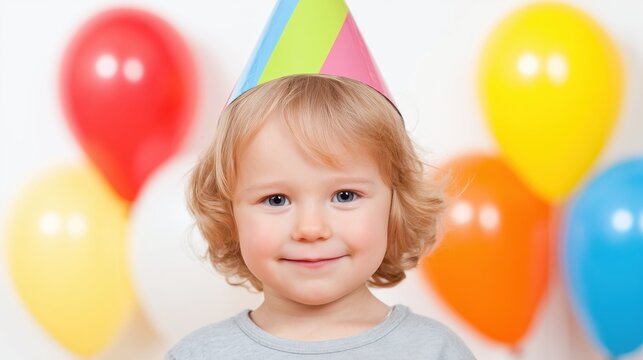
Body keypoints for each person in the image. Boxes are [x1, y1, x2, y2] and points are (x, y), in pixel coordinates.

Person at [165, 74, 476, 359]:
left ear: (395, 206)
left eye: (345, 196)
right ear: (228, 215)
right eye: (276, 200)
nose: (311, 229)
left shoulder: (435, 352)